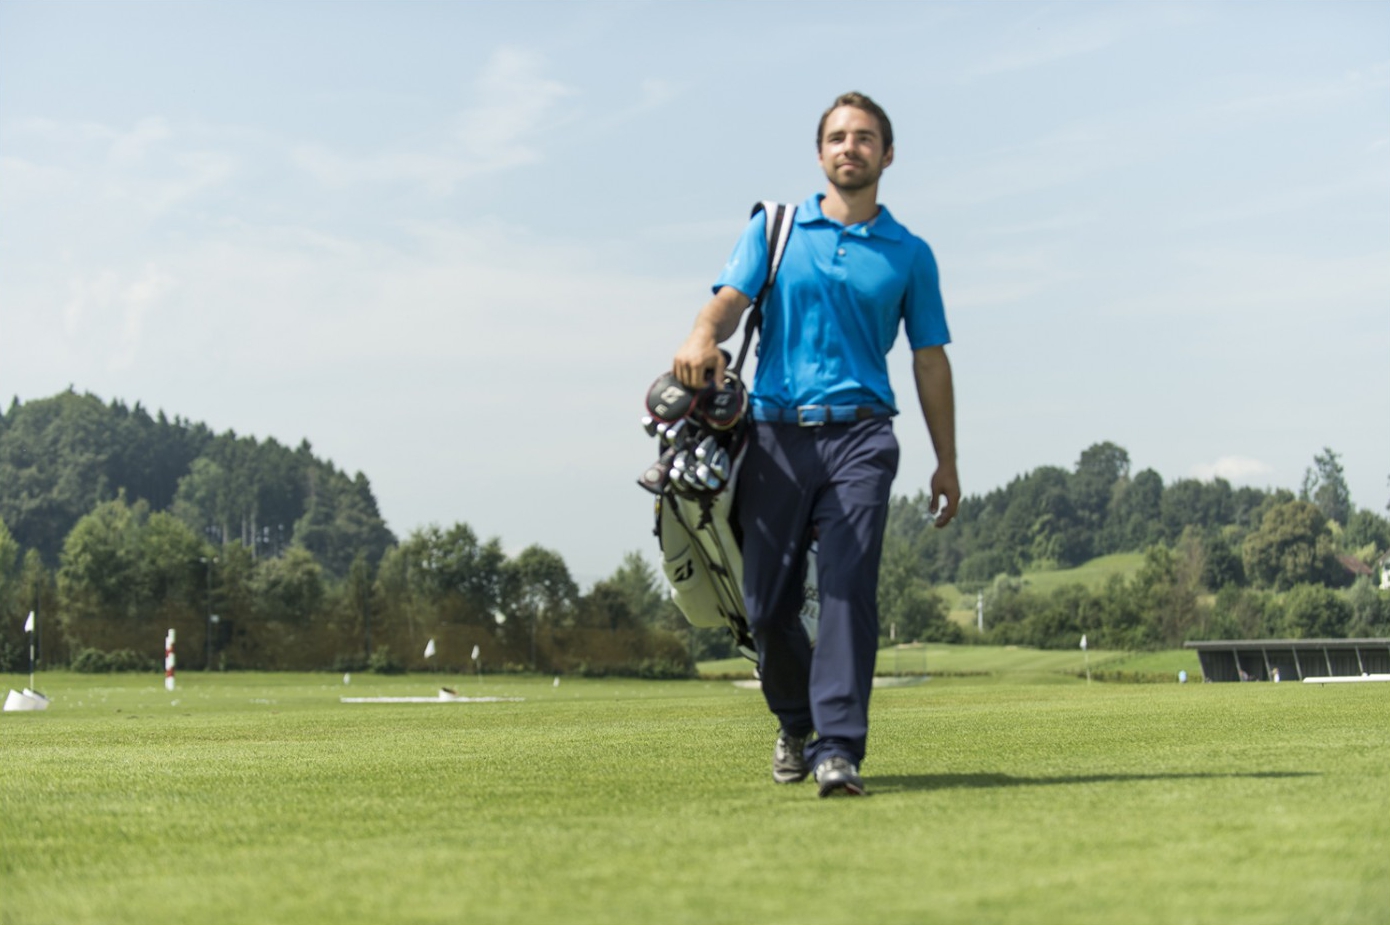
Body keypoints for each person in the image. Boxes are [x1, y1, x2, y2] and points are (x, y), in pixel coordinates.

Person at [672, 91, 959, 797]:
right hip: (772, 436)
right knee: (766, 605)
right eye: (836, 136)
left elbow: (929, 358)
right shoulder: (775, 229)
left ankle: (838, 746)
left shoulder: (911, 254)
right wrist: (702, 333)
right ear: (820, 152)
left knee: (845, 591)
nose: (849, 147)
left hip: (862, 438)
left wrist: (945, 458)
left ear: (887, 155)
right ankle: (796, 719)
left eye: (864, 138)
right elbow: (729, 299)